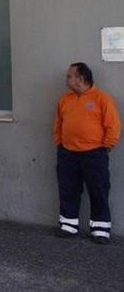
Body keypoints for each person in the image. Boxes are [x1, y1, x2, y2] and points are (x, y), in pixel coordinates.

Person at [54, 62, 121, 244]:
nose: (66, 79)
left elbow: (113, 126)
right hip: (67, 153)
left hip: (94, 154)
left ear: (80, 79)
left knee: (98, 190)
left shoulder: (102, 99)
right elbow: (58, 124)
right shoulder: (64, 100)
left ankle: (100, 229)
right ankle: (68, 225)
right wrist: (59, 143)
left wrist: (106, 146)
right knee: (68, 189)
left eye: (69, 76)